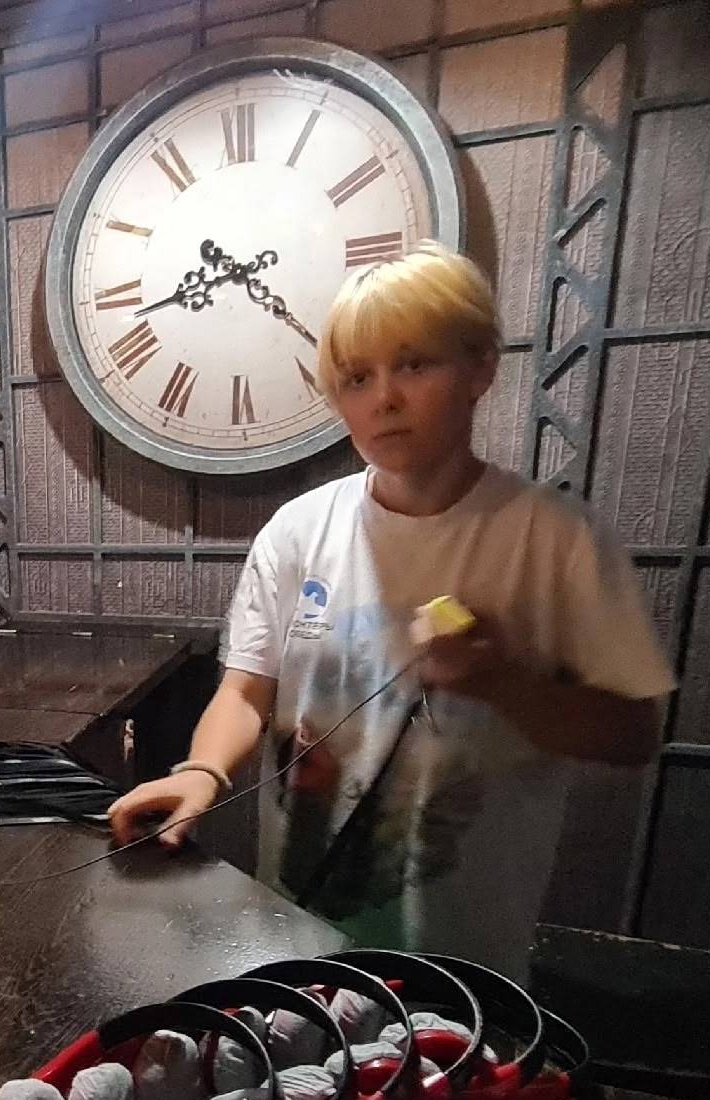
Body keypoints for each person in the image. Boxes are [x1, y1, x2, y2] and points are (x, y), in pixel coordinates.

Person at [107, 243, 672, 983]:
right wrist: (203, 771)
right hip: (299, 936)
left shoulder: (558, 539)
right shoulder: (297, 532)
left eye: (414, 365)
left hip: (465, 955)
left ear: (480, 368)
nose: (384, 399)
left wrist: (501, 682)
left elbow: (634, 735)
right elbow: (247, 690)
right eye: (356, 378)